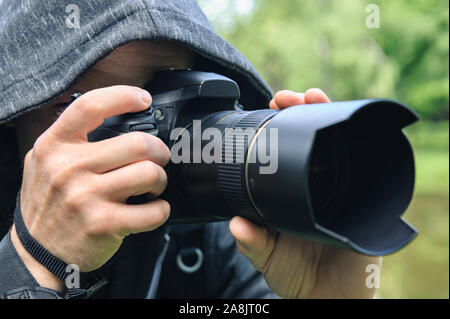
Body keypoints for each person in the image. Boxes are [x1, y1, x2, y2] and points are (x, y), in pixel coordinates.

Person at [0, 0, 381, 299]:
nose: (143, 142)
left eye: (166, 102)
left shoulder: (213, 233)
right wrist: (31, 265)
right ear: (17, 109)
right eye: (85, 106)